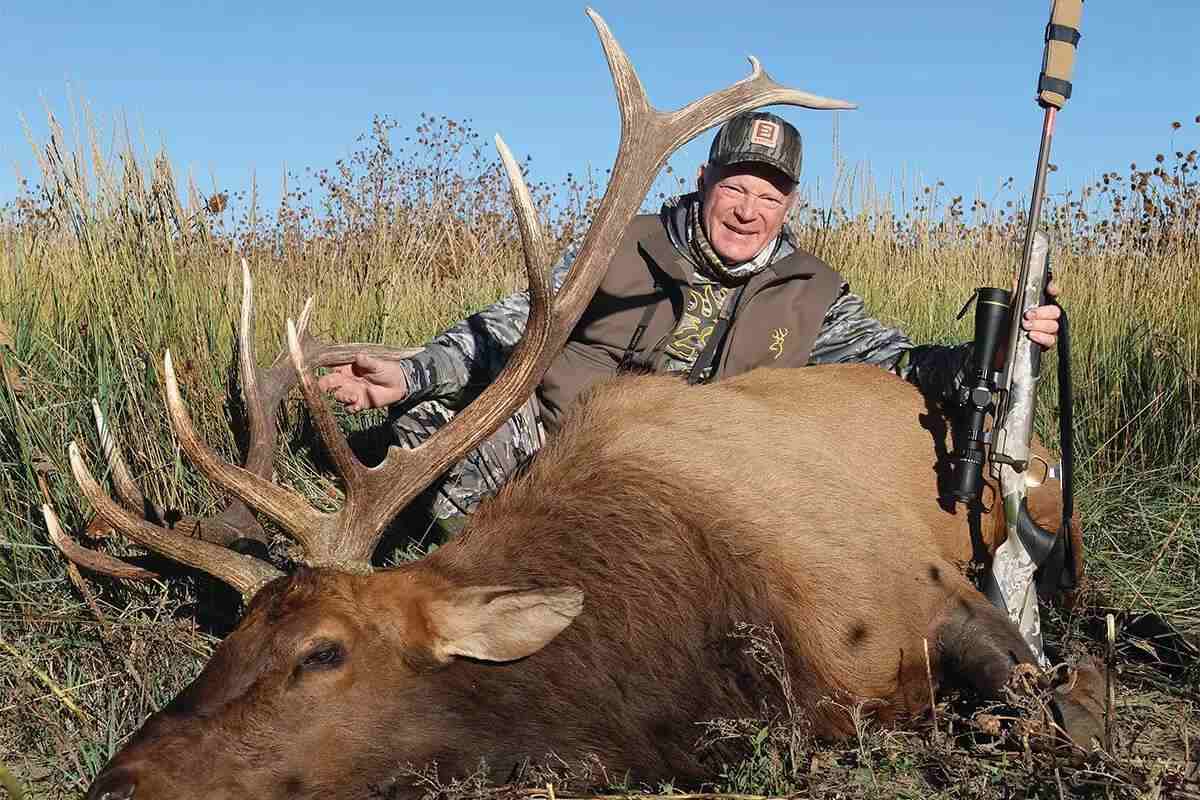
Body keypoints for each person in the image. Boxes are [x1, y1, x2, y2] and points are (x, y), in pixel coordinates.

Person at [319, 111, 1062, 527]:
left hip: (684, 489)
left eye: (769, 197)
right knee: (434, 422)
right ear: (703, 181)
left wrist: (988, 354)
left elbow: (898, 366)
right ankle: (430, 552)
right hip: (550, 448)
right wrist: (412, 372)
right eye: (736, 186)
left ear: (790, 206)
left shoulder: (812, 293)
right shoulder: (619, 249)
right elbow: (512, 326)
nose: (748, 209)